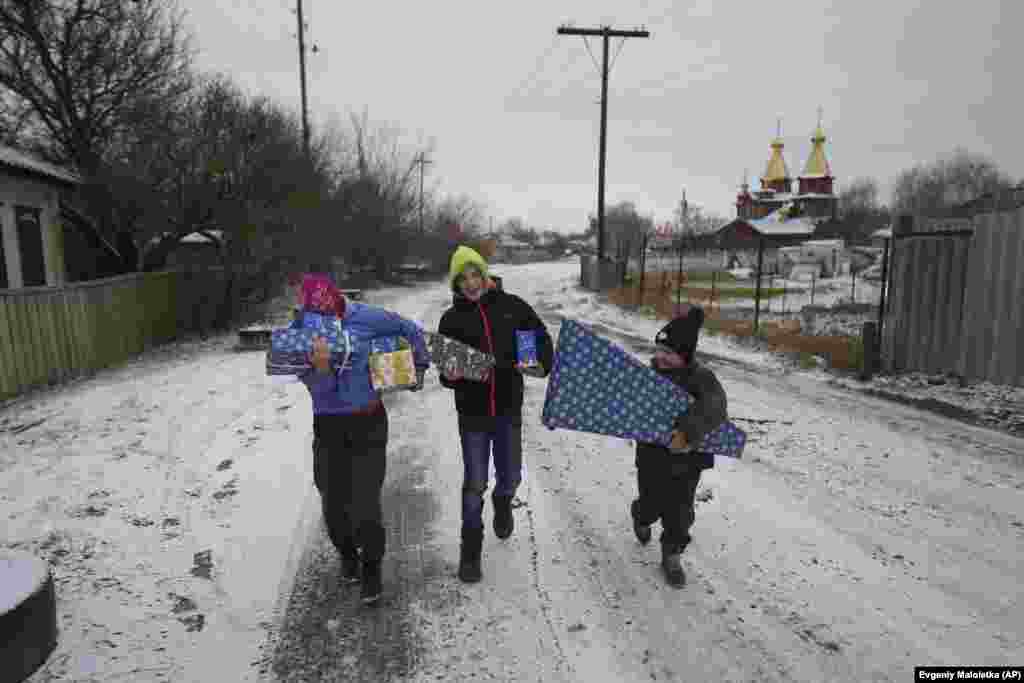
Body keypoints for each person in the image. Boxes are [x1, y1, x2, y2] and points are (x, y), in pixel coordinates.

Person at [294, 273, 430, 605]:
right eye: (321, 312)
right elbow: (320, 392)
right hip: (328, 426)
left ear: (339, 298)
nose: (330, 316)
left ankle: (371, 569)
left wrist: (419, 365)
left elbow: (409, 328)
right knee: (333, 505)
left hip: (369, 422)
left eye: (333, 308)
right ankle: (347, 555)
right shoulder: (302, 336)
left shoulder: (364, 316)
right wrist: (322, 368)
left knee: (366, 504)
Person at [438, 246, 553, 583]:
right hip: (471, 414)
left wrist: (539, 363)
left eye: (476, 274)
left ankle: (504, 501)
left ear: (485, 274)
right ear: (456, 285)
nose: (471, 283)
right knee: (474, 483)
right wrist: (451, 374)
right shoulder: (451, 319)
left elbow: (539, 338)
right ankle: (470, 551)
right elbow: (446, 370)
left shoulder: (513, 307)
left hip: (507, 409)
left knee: (511, 475)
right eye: (463, 279)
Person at [630, 304, 728, 588]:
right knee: (651, 503)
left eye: (668, 353)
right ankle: (641, 515)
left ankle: (672, 553)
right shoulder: (647, 377)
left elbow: (715, 407)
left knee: (680, 512)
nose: (660, 357)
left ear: (684, 354)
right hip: (651, 455)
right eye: (658, 351)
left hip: (688, 459)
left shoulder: (702, 378)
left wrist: (687, 432)